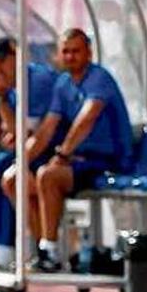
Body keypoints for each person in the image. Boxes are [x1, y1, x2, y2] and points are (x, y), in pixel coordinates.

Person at [25, 29, 132, 271]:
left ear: (89, 53)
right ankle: (47, 250)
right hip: (78, 160)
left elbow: (87, 118)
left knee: (48, 175)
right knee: (18, 179)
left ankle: (50, 251)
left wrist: (61, 154)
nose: (71, 56)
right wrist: (21, 162)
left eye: (76, 51)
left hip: (107, 161)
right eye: (66, 51)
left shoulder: (99, 78)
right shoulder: (63, 83)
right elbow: (48, 128)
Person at [0, 37, 58, 269]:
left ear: (17, 57)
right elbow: (14, 132)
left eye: (0, 61)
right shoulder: (12, 89)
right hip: (35, 151)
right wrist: (1, 100)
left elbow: (25, 132)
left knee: (3, 165)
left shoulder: (37, 79)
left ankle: (7, 247)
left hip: (53, 152)